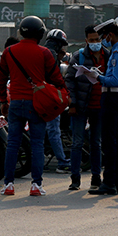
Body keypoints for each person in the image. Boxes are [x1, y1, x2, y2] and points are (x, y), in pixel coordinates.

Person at [0, 16, 65, 196]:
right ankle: (36, 185)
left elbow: (2, 79)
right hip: (36, 104)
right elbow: (56, 79)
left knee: (13, 143)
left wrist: (3, 101)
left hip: (15, 103)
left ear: (21, 31)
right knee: (37, 144)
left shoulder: (9, 52)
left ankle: (8, 185)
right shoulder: (44, 53)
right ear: (41, 33)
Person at [87, 20, 118, 196]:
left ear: (110, 35)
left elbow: (115, 80)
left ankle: (110, 182)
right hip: (113, 96)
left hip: (111, 96)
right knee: (114, 141)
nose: (102, 40)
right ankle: (116, 183)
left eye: (103, 37)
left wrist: (97, 77)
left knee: (109, 142)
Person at [64, 25, 108, 191]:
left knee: (96, 143)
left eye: (97, 39)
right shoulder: (79, 57)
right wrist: (72, 103)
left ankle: (96, 178)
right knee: (77, 143)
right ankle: (75, 179)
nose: (95, 43)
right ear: (86, 41)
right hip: (81, 106)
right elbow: (69, 81)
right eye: (92, 40)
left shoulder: (108, 56)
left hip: (99, 106)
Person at [42, 29, 72, 175]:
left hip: (39, 95)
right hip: (50, 96)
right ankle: (62, 162)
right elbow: (54, 76)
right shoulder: (51, 54)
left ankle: (40, 162)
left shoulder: (40, 51)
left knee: (41, 130)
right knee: (54, 130)